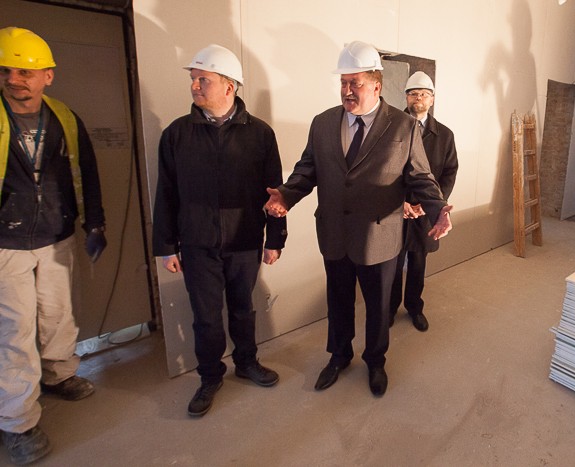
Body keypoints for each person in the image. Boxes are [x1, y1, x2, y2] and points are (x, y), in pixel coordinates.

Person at [265, 41, 452, 397]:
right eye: (343, 83)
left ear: (377, 85)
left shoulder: (403, 127)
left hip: (380, 236)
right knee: (338, 301)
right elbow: (307, 169)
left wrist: (437, 208)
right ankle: (338, 355)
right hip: (335, 232)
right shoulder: (323, 123)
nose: (347, 91)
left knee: (379, 306)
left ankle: (375, 361)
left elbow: (421, 177)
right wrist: (287, 195)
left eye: (356, 83)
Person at [152, 44, 287, 418]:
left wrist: (275, 238)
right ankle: (210, 376)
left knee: (243, 309)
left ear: (229, 86)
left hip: (245, 240)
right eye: (194, 79)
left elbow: (275, 192)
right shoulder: (177, 135)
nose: (194, 86)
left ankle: (246, 362)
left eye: (203, 79)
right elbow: (166, 193)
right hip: (197, 243)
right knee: (206, 316)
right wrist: (166, 245)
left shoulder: (260, 134)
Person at [0, 27, 107, 465]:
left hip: (56, 234)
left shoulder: (63, 117)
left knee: (58, 314)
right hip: (6, 242)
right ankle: (18, 422)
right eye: (6, 71)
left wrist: (94, 223)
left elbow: (87, 171)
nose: (14, 80)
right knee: (14, 331)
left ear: (48, 76)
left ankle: (59, 375)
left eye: (24, 72)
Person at [390, 72, 458, 332]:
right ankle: (389, 308)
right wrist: (400, 203)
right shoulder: (390, 128)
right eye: (413, 93)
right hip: (395, 210)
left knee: (418, 264)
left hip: (424, 213)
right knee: (392, 264)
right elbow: (383, 172)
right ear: (406, 97)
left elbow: (449, 172)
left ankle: (414, 307)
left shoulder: (445, 135)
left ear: (432, 99)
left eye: (424, 94)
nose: (418, 98)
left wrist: (432, 206)